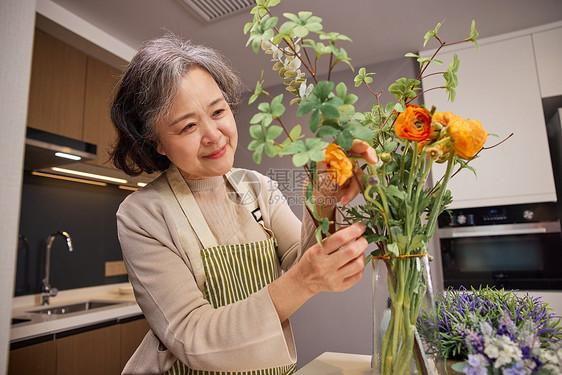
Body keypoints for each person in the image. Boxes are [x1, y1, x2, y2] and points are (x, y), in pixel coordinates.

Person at [110, 34, 378, 375]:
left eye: (218, 111)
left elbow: (302, 259)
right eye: (188, 125)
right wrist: (306, 280)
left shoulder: (256, 187)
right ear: (157, 143)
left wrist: (324, 195)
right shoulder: (143, 213)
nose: (214, 134)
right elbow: (192, 338)